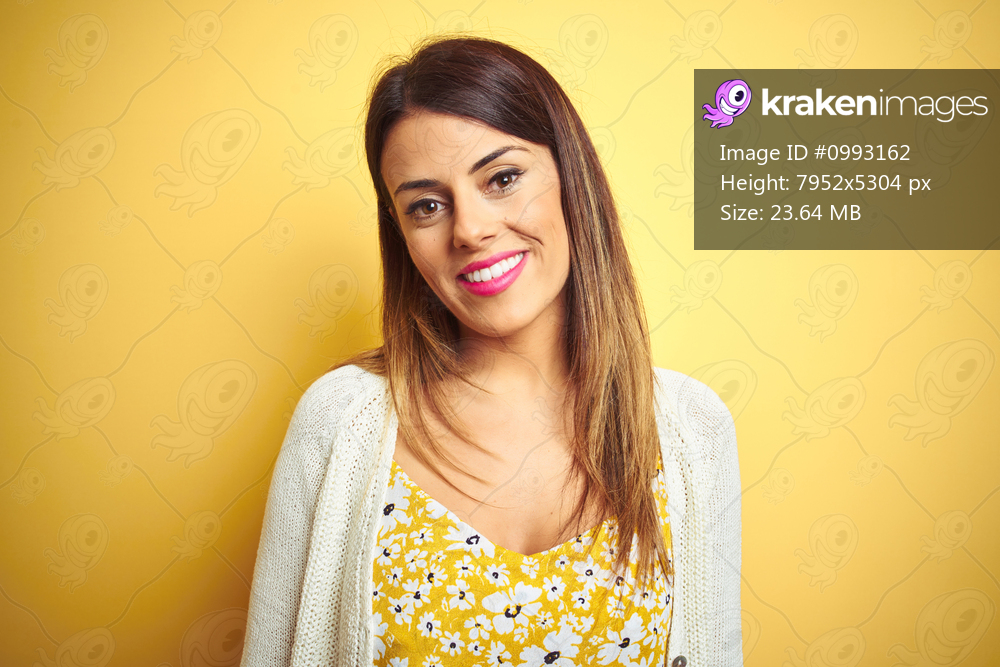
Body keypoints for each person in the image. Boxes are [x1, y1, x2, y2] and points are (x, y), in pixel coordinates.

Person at [241, 37, 742, 667]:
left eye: (502, 179)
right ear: (402, 236)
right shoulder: (339, 423)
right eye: (426, 206)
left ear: (571, 178)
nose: (470, 229)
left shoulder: (693, 429)